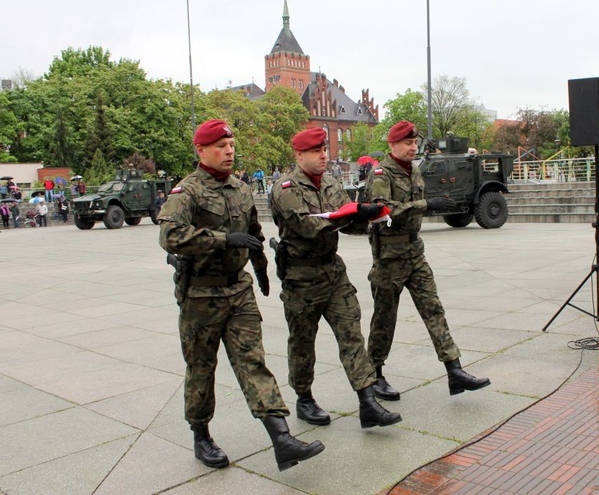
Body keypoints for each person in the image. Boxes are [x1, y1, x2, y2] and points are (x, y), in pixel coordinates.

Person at [158, 119, 323, 472]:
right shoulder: (186, 191)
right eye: (220, 145)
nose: (229, 151)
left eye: (231, 145)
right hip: (200, 296)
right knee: (201, 369)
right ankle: (201, 434)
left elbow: (253, 231)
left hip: (238, 289)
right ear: (201, 150)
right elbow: (170, 237)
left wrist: (261, 267)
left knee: (253, 362)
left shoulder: (241, 188)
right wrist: (220, 240)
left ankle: (281, 440)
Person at [270, 127, 401, 429]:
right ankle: (304, 398)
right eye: (316, 151)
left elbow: (348, 224)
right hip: (301, 277)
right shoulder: (286, 188)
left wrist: (373, 219)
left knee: (351, 335)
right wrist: (353, 212)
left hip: (332, 271)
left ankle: (368, 402)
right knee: (303, 342)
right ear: (299, 155)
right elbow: (308, 227)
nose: (323, 156)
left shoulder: (331, 184)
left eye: (325, 150)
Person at [364, 120, 491, 401]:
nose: (412, 147)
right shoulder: (381, 174)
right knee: (385, 318)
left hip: (414, 254)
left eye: (414, 143)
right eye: (407, 143)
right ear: (392, 145)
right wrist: (426, 205)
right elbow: (382, 210)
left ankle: (454, 371)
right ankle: (374, 374)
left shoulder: (416, 172)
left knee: (434, 310)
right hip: (388, 257)